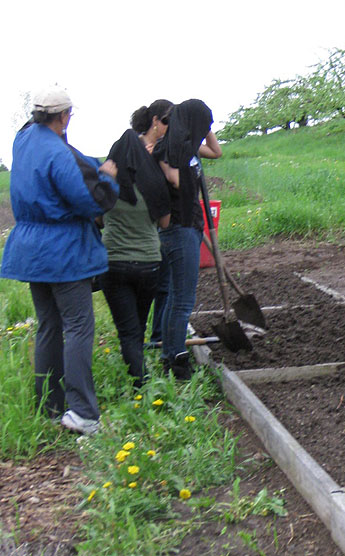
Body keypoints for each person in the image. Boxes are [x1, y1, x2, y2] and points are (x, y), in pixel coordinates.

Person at [0, 87, 119, 435]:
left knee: (48, 325)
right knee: (79, 326)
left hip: (32, 249)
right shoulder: (58, 152)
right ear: (65, 117)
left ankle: (49, 407)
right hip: (63, 251)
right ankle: (82, 413)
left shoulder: (24, 141)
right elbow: (89, 201)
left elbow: (70, 163)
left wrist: (94, 166)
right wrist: (108, 178)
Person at [101, 100, 173, 388]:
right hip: (148, 264)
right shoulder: (153, 184)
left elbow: (96, 218)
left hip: (113, 263)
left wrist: (106, 179)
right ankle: (141, 380)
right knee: (138, 327)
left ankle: (140, 385)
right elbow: (165, 223)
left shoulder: (108, 185)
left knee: (127, 332)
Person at [153, 99, 222, 379]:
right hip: (179, 229)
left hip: (189, 227)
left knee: (176, 297)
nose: (206, 131)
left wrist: (205, 129)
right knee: (182, 300)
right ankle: (176, 361)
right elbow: (176, 183)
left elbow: (216, 151)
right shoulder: (167, 150)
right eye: (203, 125)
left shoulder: (186, 148)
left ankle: (171, 353)